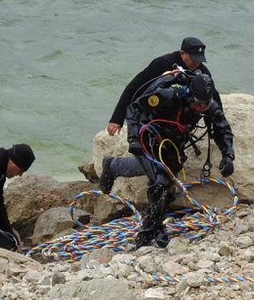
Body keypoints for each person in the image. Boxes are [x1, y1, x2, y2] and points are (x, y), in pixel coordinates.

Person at [99, 71, 235, 248]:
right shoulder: (168, 96)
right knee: (159, 183)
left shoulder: (209, 105)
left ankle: (112, 165)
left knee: (168, 187)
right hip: (148, 136)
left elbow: (222, 129)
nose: (201, 108)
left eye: (205, 104)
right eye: (197, 103)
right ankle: (149, 232)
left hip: (172, 143)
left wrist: (228, 154)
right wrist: (133, 139)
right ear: (189, 94)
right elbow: (134, 109)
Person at [105, 37, 223, 136]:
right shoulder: (163, 63)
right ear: (182, 53)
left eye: (199, 60)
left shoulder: (202, 72)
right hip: (153, 111)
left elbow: (212, 97)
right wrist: (117, 119)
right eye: (193, 59)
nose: (196, 63)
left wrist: (216, 127)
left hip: (181, 117)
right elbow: (134, 88)